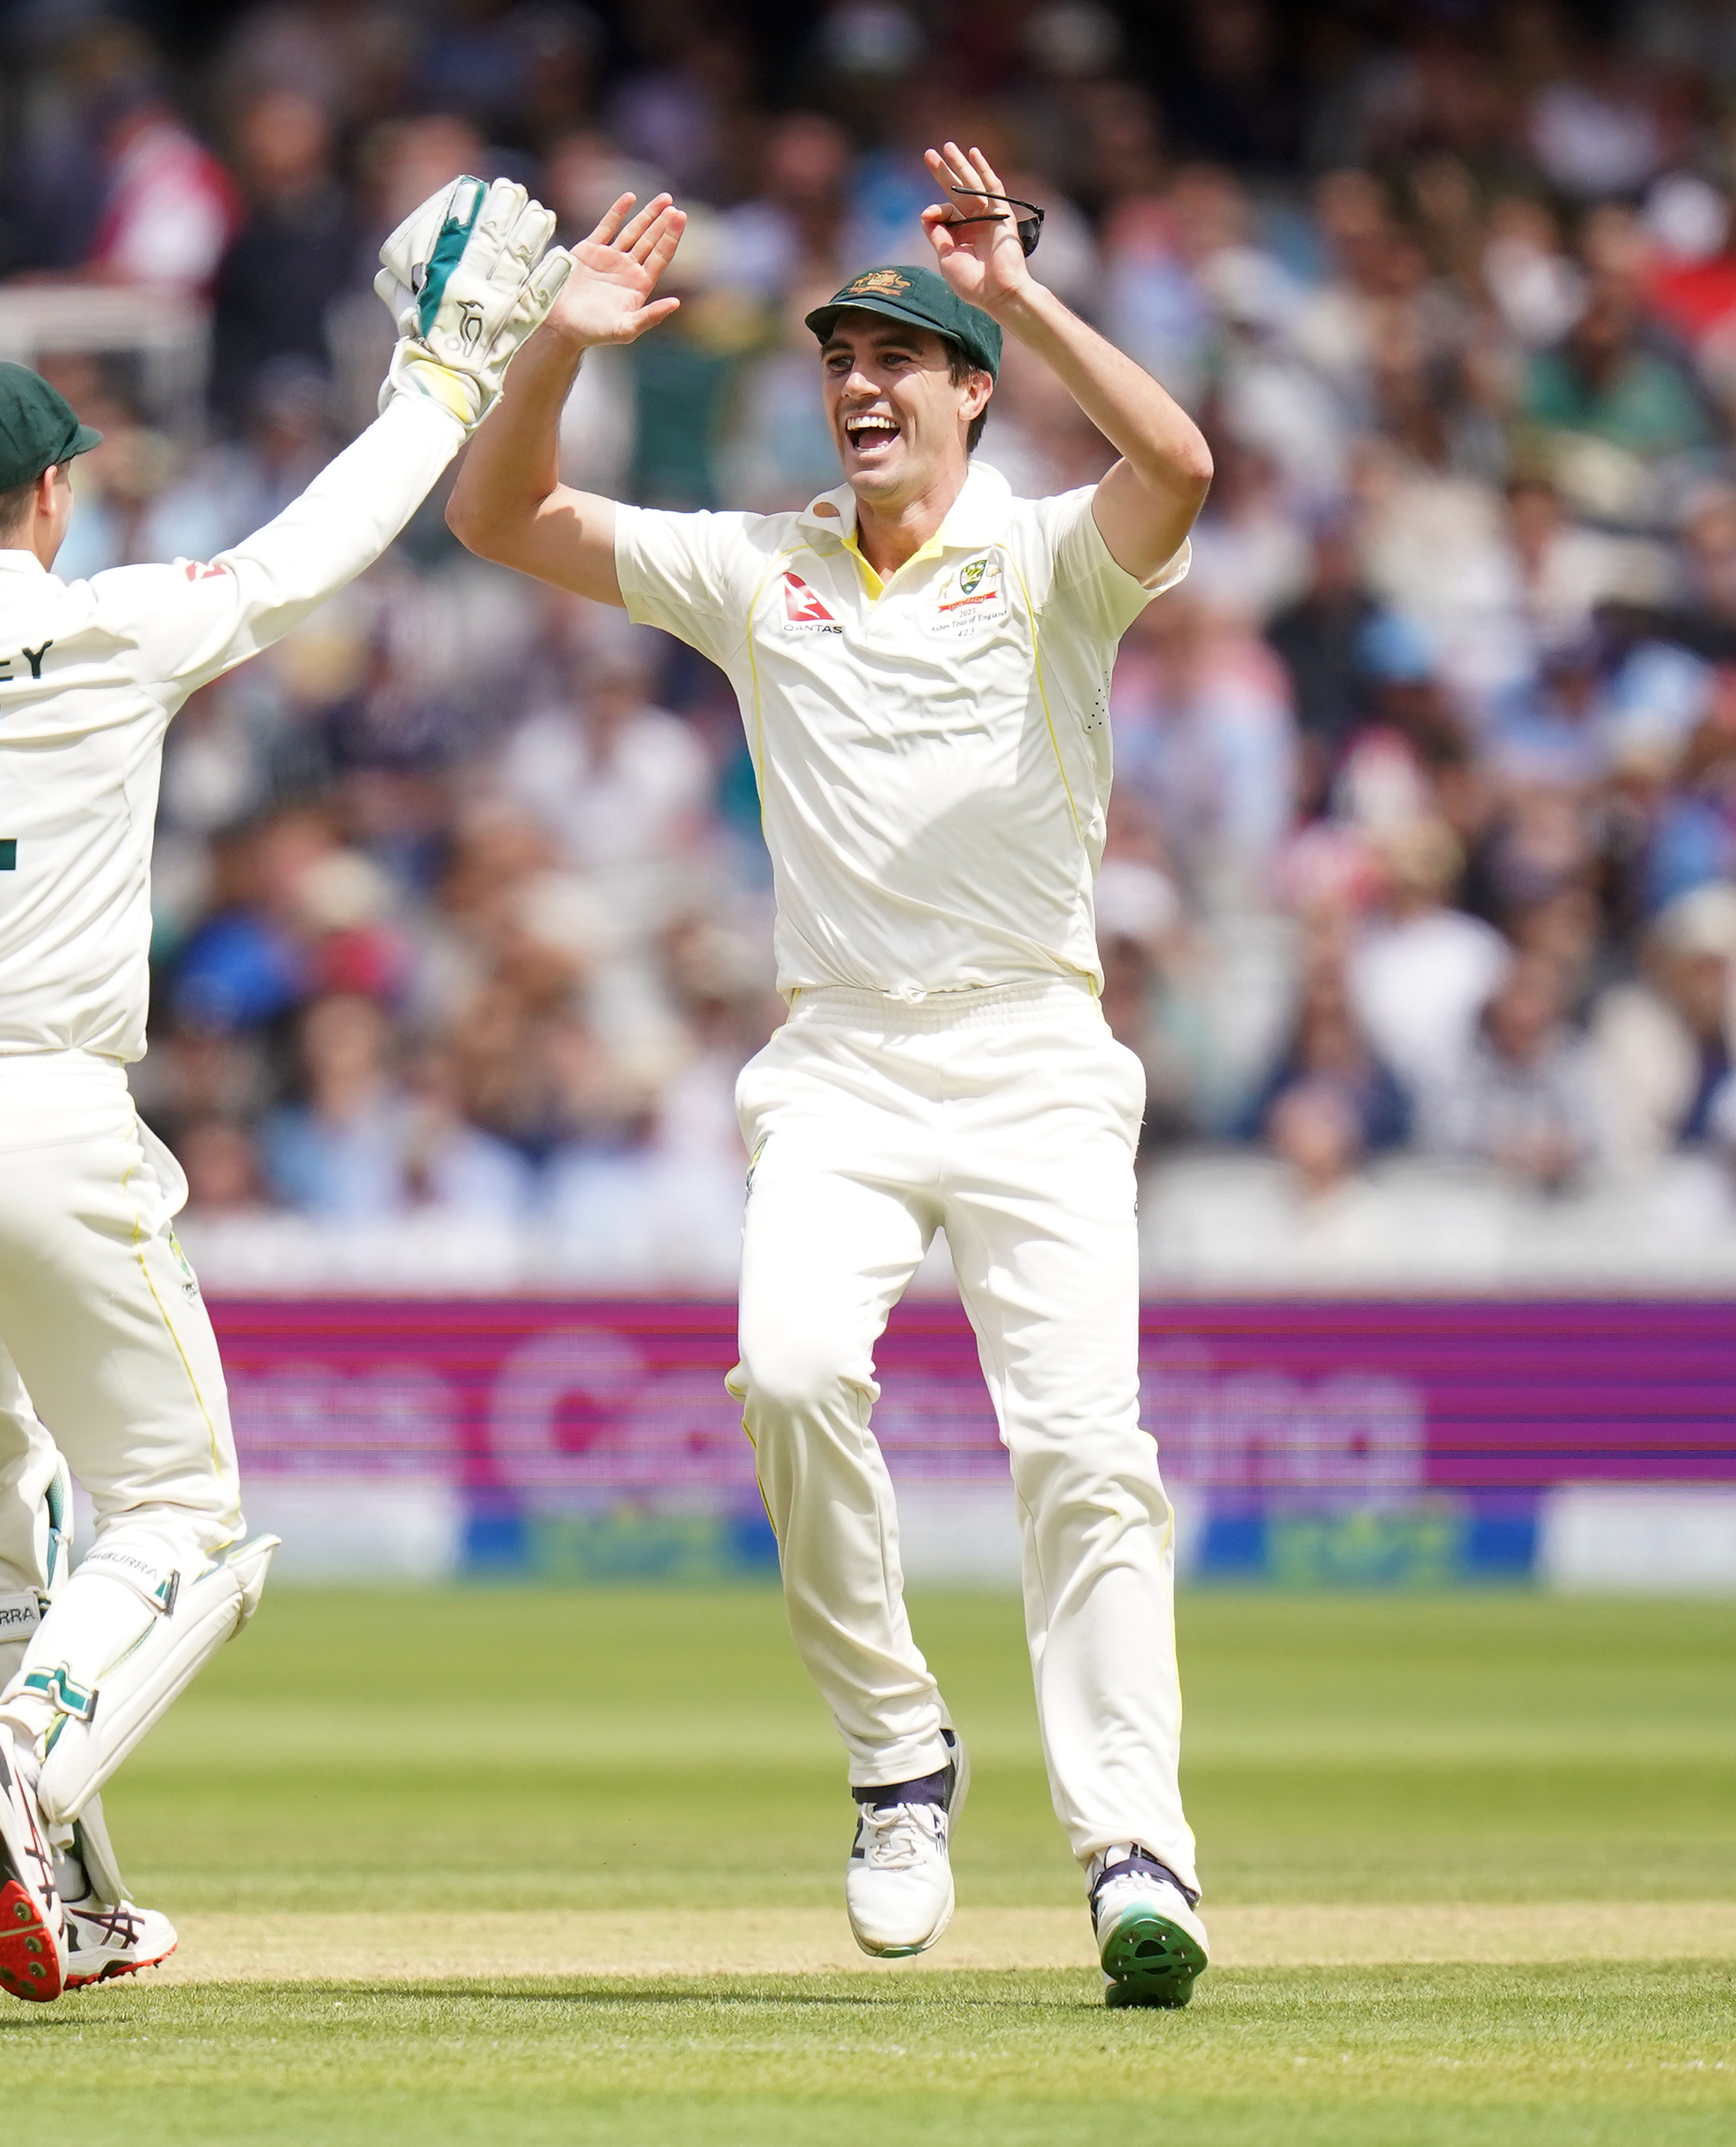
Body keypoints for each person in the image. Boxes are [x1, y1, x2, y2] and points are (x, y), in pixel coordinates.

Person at [0, 195, 568, 2002]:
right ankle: (22, 1757)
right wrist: (448, 373)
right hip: (42, 1125)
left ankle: (57, 1887)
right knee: (177, 1511)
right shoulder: (116, 630)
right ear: (54, 496)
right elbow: (319, 545)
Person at [447, 143, 1221, 2009]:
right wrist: (556, 345)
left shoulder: (1047, 557)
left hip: (1032, 1054)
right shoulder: (756, 567)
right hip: (844, 1065)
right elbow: (502, 517)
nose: (862, 387)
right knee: (787, 1373)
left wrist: (1022, 292)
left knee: (1082, 1453)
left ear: (972, 390)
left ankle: (1134, 1846)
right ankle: (897, 1757)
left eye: (902, 359)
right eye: (839, 361)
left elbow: (1181, 468)